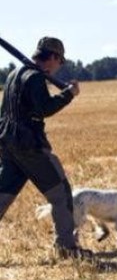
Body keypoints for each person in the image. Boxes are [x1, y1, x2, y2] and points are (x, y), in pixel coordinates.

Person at [0, 37, 92, 259]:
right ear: (52, 57)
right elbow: (44, 108)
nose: (59, 66)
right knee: (61, 194)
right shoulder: (34, 78)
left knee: (2, 195)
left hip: (8, 144)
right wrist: (68, 94)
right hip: (30, 146)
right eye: (60, 61)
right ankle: (67, 248)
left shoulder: (14, 75)